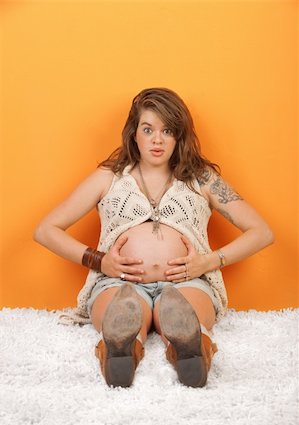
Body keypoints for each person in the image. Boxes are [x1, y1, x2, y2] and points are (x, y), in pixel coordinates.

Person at [33, 87, 274, 388]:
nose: (157, 140)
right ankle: (121, 348)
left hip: (187, 282)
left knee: (184, 313)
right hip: (119, 281)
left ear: (179, 136)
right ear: (134, 133)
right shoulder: (108, 177)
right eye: (148, 130)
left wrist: (209, 262)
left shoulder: (203, 179)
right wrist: (99, 260)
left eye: (167, 131)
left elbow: (262, 232)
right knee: (123, 311)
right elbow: (46, 230)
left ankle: (192, 348)